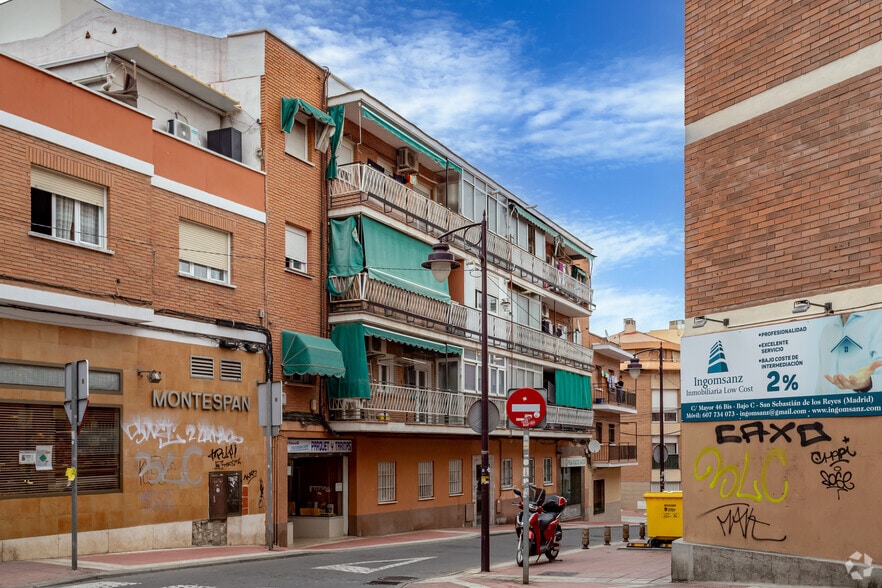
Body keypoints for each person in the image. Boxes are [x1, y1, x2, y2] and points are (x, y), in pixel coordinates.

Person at [817, 311, 882, 393]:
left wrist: (867, 384)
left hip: (864, 404)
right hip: (828, 404)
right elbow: (821, 382)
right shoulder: (827, 329)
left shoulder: (878, 320)